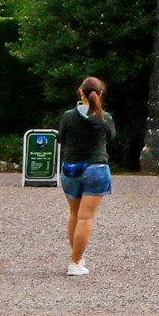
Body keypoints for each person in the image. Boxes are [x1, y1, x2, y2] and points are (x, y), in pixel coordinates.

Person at [56, 75, 115, 276]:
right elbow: (110, 137)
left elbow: (60, 139)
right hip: (96, 168)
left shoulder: (68, 116)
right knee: (86, 217)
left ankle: (78, 258)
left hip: (71, 168)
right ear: (100, 94)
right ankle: (74, 262)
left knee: (74, 214)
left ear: (81, 92)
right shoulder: (104, 118)